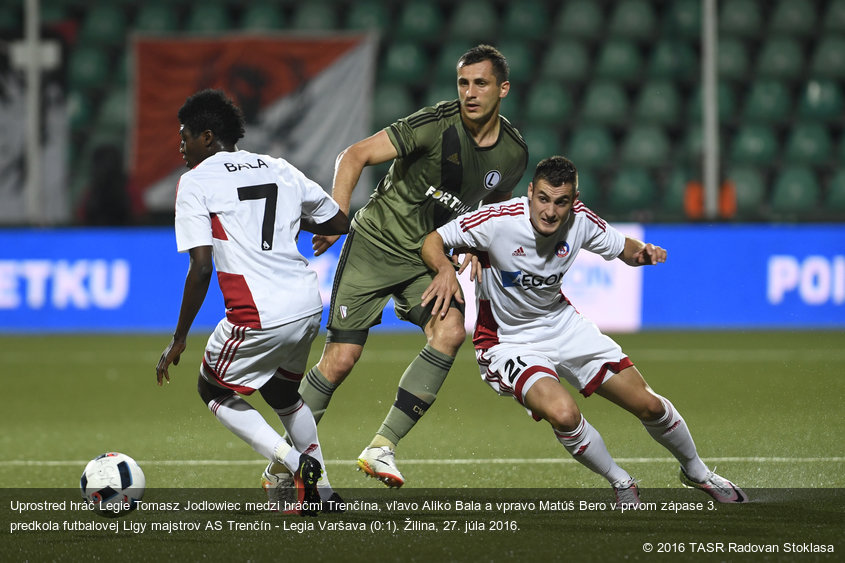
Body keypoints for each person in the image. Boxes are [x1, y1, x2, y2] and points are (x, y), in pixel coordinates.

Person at [263, 44, 528, 491]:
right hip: (374, 245)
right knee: (340, 361)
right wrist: (337, 213)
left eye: (480, 83)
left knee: (450, 332)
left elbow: (494, 207)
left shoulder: (514, 154)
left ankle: (383, 444)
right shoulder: (434, 124)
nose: (469, 92)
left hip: (426, 256)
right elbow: (354, 155)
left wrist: (475, 244)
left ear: (503, 89)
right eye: (463, 82)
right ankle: (282, 466)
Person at [419, 155, 747, 506]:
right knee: (563, 413)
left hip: (563, 325)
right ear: (530, 192)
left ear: (574, 201)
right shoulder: (498, 221)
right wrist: (445, 269)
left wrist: (643, 253)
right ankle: (621, 482)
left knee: (649, 405)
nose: (550, 211)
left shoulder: (581, 222)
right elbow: (432, 240)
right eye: (543, 198)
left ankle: (697, 472)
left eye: (561, 202)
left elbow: (624, 248)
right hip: (507, 341)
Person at [155, 89, 349, 515]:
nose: (181, 145)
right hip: (306, 302)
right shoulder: (279, 167)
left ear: (207, 137)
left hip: (258, 313)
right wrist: (287, 225)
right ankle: (327, 494)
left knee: (212, 388)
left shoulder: (195, 182)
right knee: (283, 393)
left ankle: (297, 465)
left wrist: (179, 338)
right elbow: (337, 219)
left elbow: (201, 267)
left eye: (185, 135)